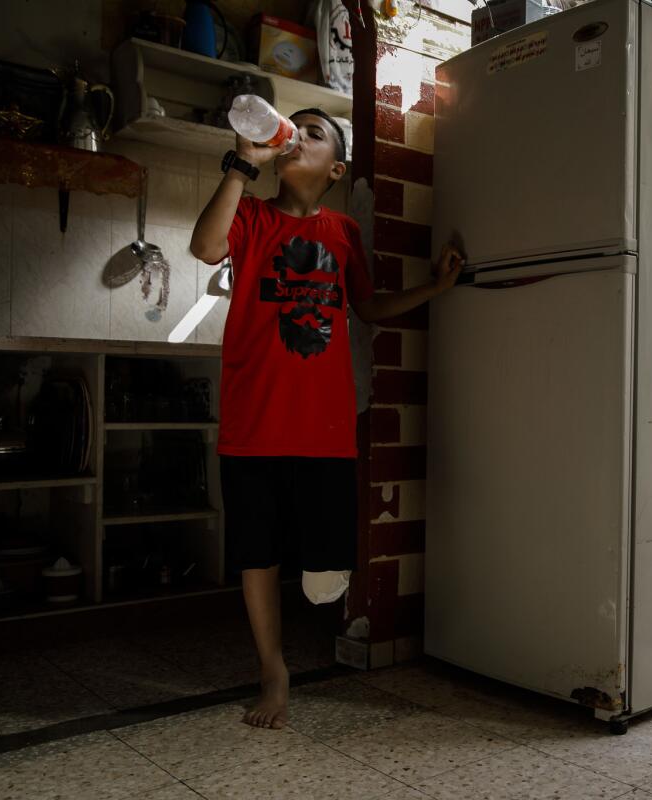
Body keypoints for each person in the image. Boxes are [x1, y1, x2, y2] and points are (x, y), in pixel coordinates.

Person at [190, 108, 463, 729]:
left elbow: (367, 306)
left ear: (335, 169)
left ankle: (305, 601)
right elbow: (205, 248)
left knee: (325, 569)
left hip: (324, 427)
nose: (295, 135)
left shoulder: (341, 232)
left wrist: (435, 289)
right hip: (253, 422)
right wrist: (241, 164)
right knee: (256, 554)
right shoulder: (253, 216)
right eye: (294, 127)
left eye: (313, 133)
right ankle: (272, 669)